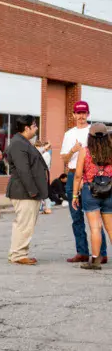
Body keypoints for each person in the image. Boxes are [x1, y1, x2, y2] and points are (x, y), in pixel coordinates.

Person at [61, 101, 107, 264]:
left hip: (91, 177)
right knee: (76, 217)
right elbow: (64, 159)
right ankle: (82, 251)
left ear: (88, 114)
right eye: (78, 113)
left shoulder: (93, 131)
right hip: (73, 174)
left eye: (83, 113)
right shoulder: (69, 134)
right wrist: (73, 150)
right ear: (73, 115)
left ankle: (101, 253)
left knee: (95, 217)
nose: (81, 116)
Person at [6, 115, 48, 265]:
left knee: (25, 224)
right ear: (27, 128)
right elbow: (23, 170)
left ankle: (18, 253)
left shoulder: (23, 142)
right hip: (24, 192)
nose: (36, 128)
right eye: (34, 125)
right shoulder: (18, 144)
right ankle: (18, 255)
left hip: (27, 191)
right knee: (24, 224)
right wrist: (33, 191)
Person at [71, 123, 112, 270]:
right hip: (109, 191)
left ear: (90, 136)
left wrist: (75, 195)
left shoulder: (85, 151)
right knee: (110, 228)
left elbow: (77, 176)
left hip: (90, 191)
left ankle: (95, 261)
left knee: (95, 228)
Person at [36, 140, 54, 214]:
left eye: (37, 147)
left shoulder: (46, 154)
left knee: (43, 191)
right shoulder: (45, 154)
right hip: (42, 173)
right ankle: (44, 207)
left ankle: (47, 207)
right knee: (42, 191)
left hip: (43, 173)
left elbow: (43, 165)